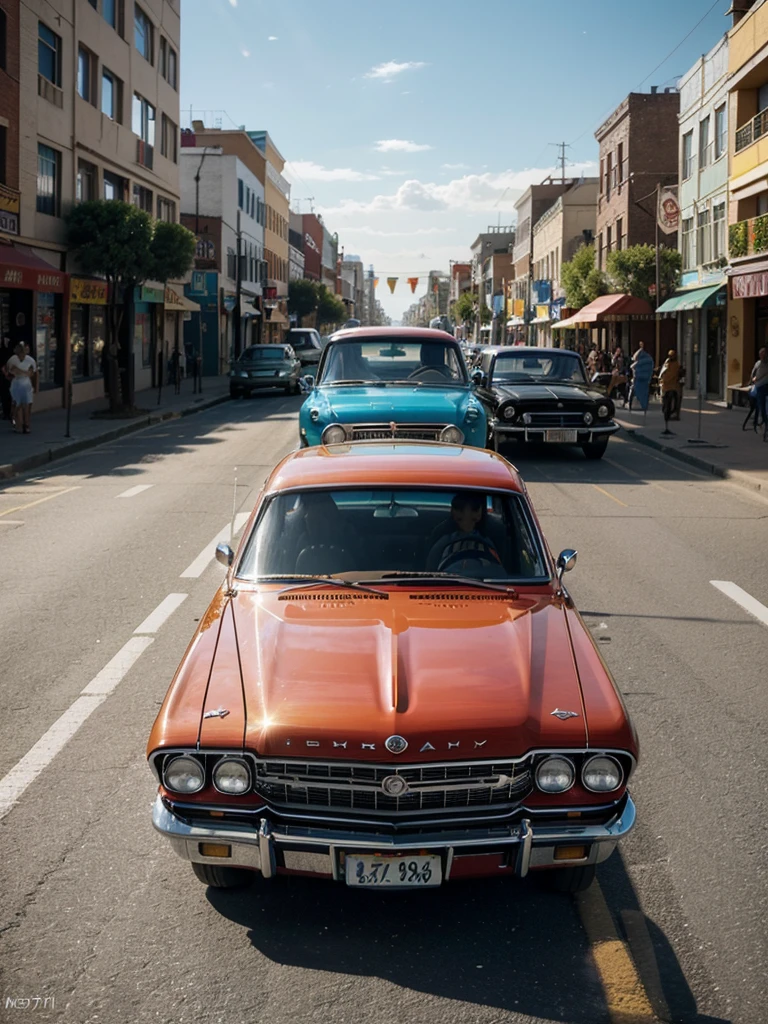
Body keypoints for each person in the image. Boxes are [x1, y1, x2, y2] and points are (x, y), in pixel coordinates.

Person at [426, 492, 502, 573]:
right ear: (453, 513)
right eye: (459, 509)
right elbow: (430, 571)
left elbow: (500, 572)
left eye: (474, 509)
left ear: (479, 513)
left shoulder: (490, 539)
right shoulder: (442, 540)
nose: (466, 516)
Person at [7, 341, 37, 434]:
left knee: (26, 405)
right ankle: (16, 424)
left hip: (26, 384)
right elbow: (10, 370)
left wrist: (35, 386)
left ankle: (26, 425)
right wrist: (22, 372)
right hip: (16, 384)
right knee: (17, 405)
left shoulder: (30, 360)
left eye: (22, 353)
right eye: (19, 353)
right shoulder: (12, 359)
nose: (21, 356)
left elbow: (33, 373)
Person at [628, 341, 653, 412]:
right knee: (644, 392)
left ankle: (632, 404)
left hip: (638, 379)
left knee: (633, 391)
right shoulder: (648, 358)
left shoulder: (640, 359)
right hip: (645, 379)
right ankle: (644, 405)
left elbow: (633, 364)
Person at [659, 349, 681, 424]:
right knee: (666, 400)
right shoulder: (668, 362)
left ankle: (672, 413)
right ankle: (668, 412)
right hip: (667, 386)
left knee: (673, 400)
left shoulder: (675, 364)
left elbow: (670, 375)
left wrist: (664, 379)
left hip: (672, 386)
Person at [749, 346, 768, 429]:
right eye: (761, 354)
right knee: (754, 399)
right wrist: (753, 379)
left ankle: (764, 421)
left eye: (764, 354)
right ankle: (758, 419)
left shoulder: (765, 364)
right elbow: (753, 373)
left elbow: (759, 375)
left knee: (762, 404)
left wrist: (755, 379)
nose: (762, 356)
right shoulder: (758, 363)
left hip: (763, 386)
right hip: (757, 386)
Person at [0, 336, 13, 422]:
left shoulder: (3, 352)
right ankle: (9, 413)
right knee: (9, 395)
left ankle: (6, 413)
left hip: (4, 376)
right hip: (9, 376)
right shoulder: (10, 352)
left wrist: (5, 374)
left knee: (5, 395)